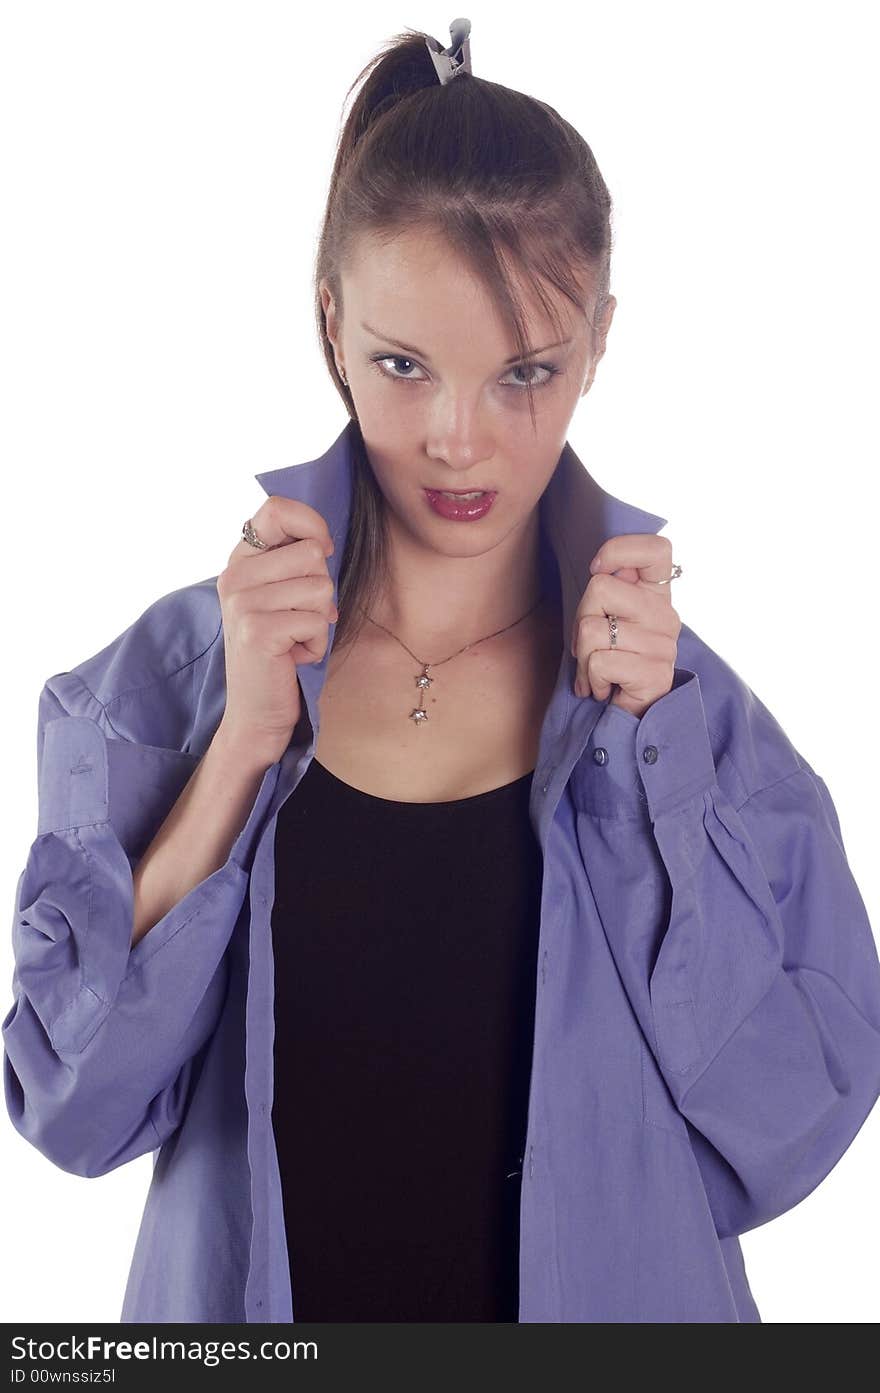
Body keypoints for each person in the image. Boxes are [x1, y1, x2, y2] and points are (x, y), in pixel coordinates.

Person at [4, 19, 880, 1324]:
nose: (457, 442)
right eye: (405, 365)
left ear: (599, 342)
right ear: (333, 323)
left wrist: (658, 781)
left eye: (524, 372)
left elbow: (791, 1126)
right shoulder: (165, 689)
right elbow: (74, 1105)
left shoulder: (684, 723)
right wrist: (241, 738)